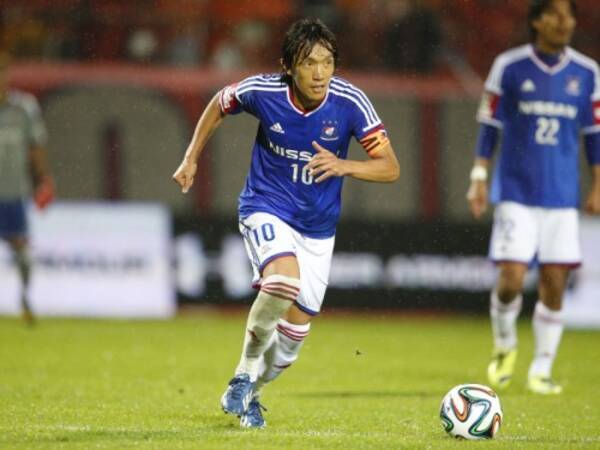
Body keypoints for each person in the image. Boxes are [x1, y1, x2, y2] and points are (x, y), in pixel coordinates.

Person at [173, 18, 400, 428]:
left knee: (290, 346)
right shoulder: (264, 92)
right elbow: (219, 103)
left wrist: (344, 165)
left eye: (327, 62)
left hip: (317, 230)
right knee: (282, 281)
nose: (319, 73)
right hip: (266, 206)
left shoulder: (350, 102)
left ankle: (252, 394)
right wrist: (191, 158)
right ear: (288, 66)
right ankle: (244, 372)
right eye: (309, 63)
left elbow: (390, 167)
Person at [467, 0, 600, 395]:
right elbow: (489, 125)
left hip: (561, 197)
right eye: (556, 14)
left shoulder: (587, 72)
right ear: (537, 21)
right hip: (516, 192)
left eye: (569, 15)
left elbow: (594, 135)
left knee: (555, 283)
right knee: (511, 279)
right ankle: (505, 344)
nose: (565, 22)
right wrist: (478, 177)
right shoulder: (509, 66)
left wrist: (597, 185)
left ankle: (542, 368)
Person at [0, 51, 55, 325]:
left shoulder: (23, 108)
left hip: (12, 191)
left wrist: (43, 179)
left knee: (21, 247)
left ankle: (25, 298)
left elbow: (36, 147)